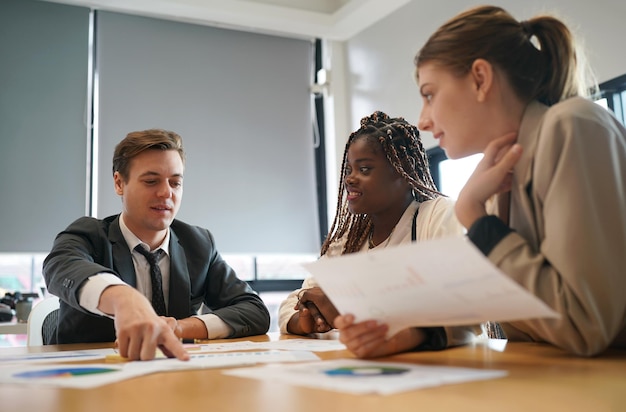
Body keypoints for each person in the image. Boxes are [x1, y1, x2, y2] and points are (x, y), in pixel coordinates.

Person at [336, 5, 626, 358]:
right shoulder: (501, 175)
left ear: (480, 78)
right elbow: (475, 304)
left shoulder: (571, 125)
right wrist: (402, 335)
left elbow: (585, 326)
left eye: (429, 95)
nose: (423, 121)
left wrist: (474, 214)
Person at [43, 129, 270, 360]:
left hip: (173, 378)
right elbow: (59, 267)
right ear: (119, 183)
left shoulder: (198, 243)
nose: (165, 193)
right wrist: (123, 298)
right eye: (151, 181)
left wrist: (178, 327)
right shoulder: (89, 235)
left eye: (175, 183)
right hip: (91, 378)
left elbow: (254, 311)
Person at [278, 111, 467, 352]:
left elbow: (460, 302)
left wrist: (346, 307)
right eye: (348, 170)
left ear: (403, 172)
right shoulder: (349, 240)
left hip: (445, 365)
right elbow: (297, 299)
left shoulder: (438, 216)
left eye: (365, 169)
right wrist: (304, 319)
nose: (350, 179)